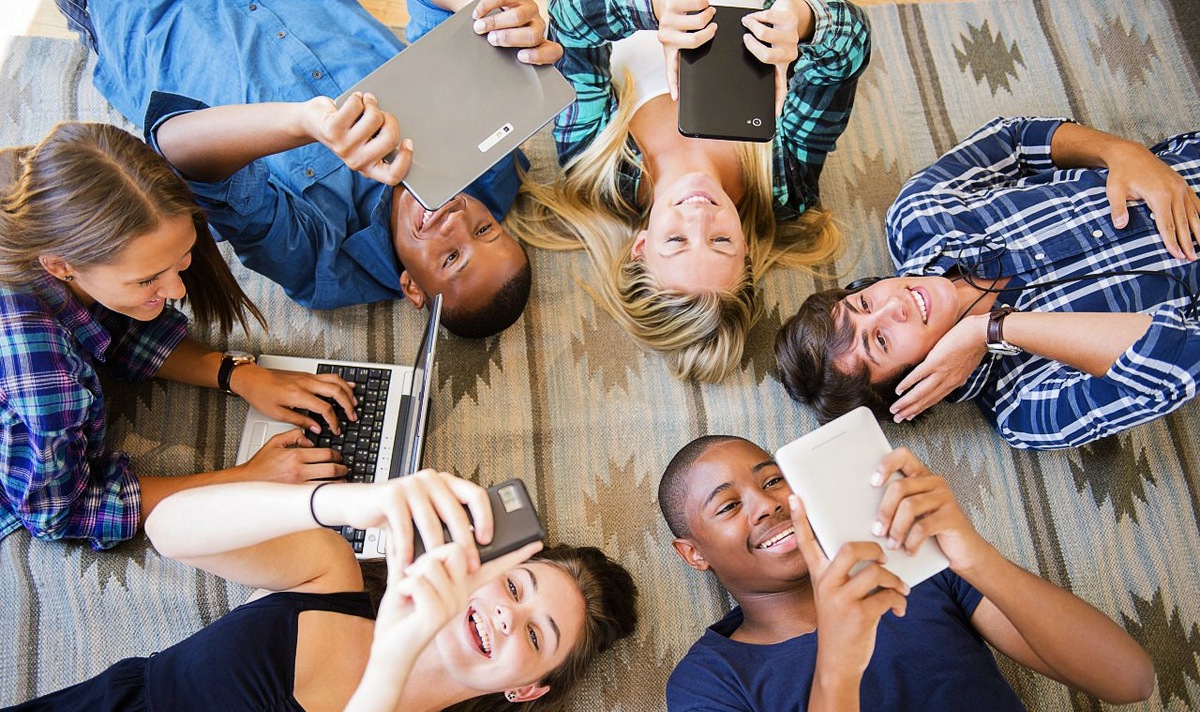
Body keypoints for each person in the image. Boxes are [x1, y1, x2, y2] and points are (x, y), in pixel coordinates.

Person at [0, 469, 639, 712]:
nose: (507, 617)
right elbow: (167, 529)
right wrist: (340, 503)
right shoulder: (328, 573)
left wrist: (390, 669)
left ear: (525, 690)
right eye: (515, 588)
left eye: (536, 637)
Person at [658, 435, 1154, 712]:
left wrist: (974, 556)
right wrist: (837, 665)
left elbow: (1130, 679)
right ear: (693, 553)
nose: (768, 504)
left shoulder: (911, 564)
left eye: (773, 480)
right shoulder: (708, 684)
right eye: (728, 506)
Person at [60, 0, 563, 338]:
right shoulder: (492, 167)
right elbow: (438, 18)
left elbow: (177, 152)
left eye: (451, 257)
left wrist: (305, 124)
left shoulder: (323, 265)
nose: (457, 221)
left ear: (412, 287)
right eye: (485, 229)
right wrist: (486, 13)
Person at [0, 122, 355, 550]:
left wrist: (238, 374)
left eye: (182, 259)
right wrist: (246, 480)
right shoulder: (40, 370)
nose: (176, 291)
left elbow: (116, 329)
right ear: (60, 267)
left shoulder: (49, 196)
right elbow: (60, 511)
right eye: (146, 279)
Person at [775, 117, 1200, 449]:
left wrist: (1122, 152)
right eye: (881, 341)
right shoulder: (1024, 406)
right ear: (914, 384)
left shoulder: (919, 214)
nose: (894, 306)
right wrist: (993, 329)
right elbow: (1178, 361)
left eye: (864, 304)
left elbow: (1015, 140)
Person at [508, 0, 867, 381]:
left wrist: (655, 8)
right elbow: (850, 48)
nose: (699, 217)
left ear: (641, 246)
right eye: (720, 240)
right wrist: (802, 20)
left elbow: (569, 23)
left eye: (677, 240)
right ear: (745, 247)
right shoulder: (783, 182)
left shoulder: (593, 163)